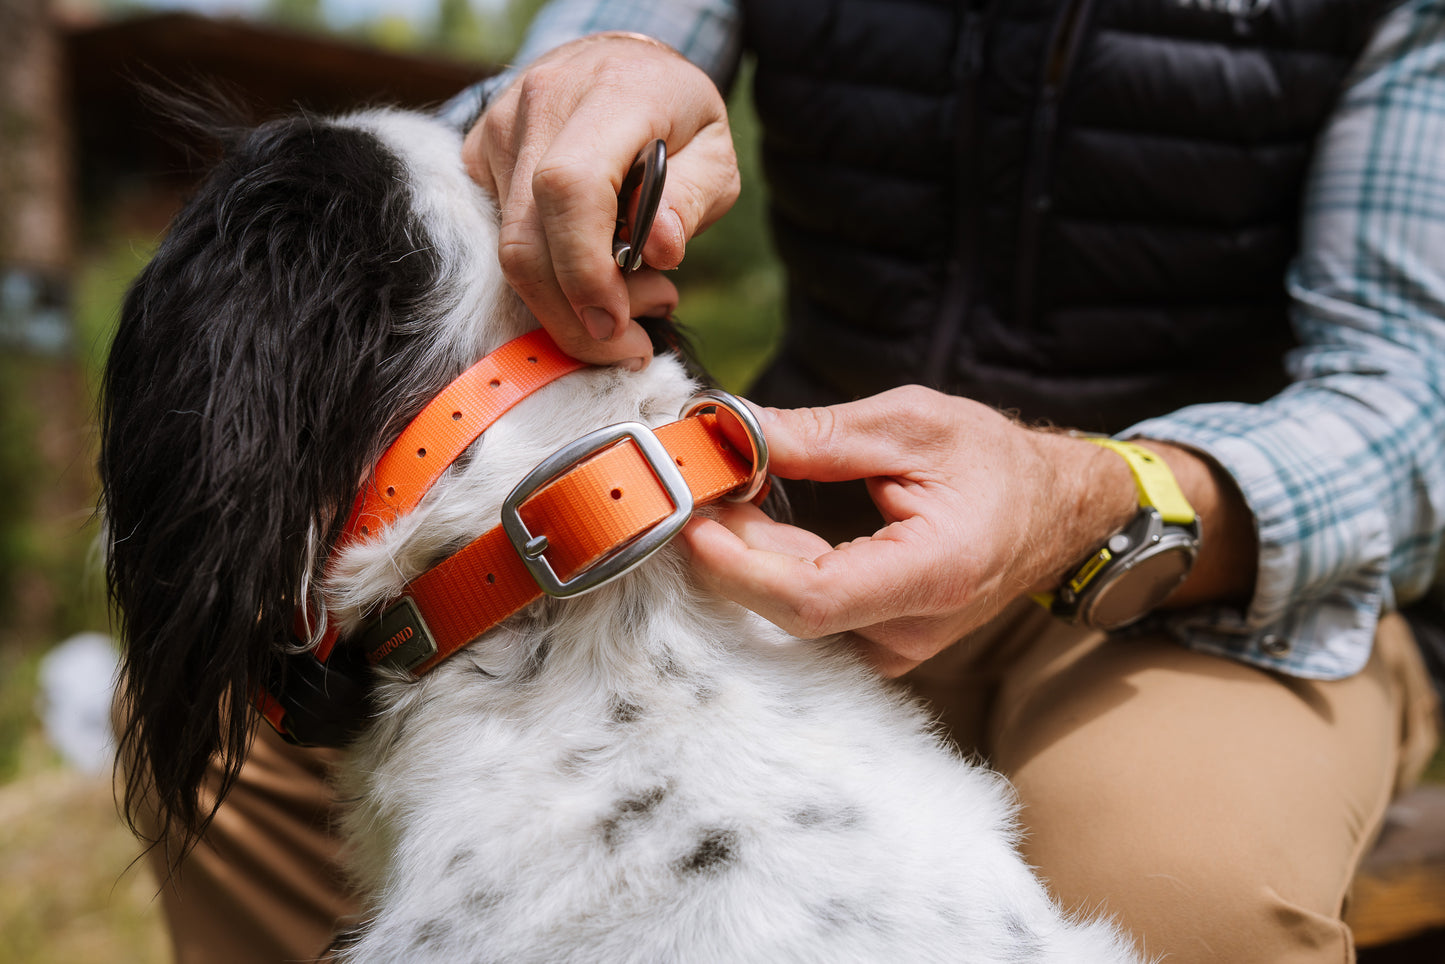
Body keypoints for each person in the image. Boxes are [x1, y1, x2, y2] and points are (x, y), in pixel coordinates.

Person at [142, 1, 1445, 961]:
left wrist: (1084, 495)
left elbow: (1411, 400)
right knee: (244, 756)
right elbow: (535, 109)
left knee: (1185, 905)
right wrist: (582, 95)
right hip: (793, 517)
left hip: (1195, 556)